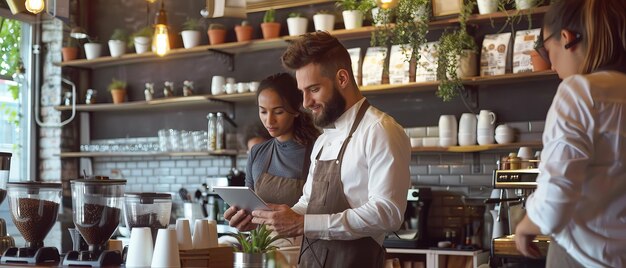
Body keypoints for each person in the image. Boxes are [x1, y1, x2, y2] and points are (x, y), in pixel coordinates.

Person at [250, 31, 411, 267]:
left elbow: (388, 213)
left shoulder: (380, 130)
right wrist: (273, 217)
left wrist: (305, 224)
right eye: (302, 91)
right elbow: (308, 203)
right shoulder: (324, 140)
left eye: (314, 89)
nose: (305, 103)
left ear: (342, 78)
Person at [514, 0, 626, 267]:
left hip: (580, 255)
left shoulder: (578, 92)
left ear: (566, 38)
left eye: (546, 49)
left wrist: (525, 226)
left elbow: (556, 198)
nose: (551, 65)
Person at [224, 73, 320, 231]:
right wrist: (242, 219)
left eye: (278, 112)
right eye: (263, 111)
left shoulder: (317, 151)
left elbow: (322, 212)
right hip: (262, 247)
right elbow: (251, 211)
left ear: (296, 109)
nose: (269, 121)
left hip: (301, 250)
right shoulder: (257, 152)